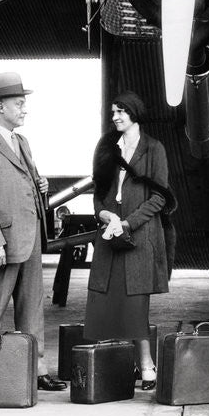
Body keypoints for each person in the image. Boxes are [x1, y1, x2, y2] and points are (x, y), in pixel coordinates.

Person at [0, 72, 67, 392]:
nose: (24, 110)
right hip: (4, 244)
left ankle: (37, 371)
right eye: (19, 104)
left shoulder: (21, 141)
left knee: (32, 307)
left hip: (30, 238)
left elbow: (25, 182)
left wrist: (41, 188)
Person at [84, 90, 174, 391]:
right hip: (110, 234)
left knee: (136, 305)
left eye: (121, 112)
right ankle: (113, 366)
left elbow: (160, 197)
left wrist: (128, 222)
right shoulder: (107, 146)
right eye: (113, 113)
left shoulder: (154, 149)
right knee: (105, 300)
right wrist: (103, 214)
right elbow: (98, 190)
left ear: (135, 113)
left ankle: (147, 365)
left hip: (140, 235)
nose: (116, 117)